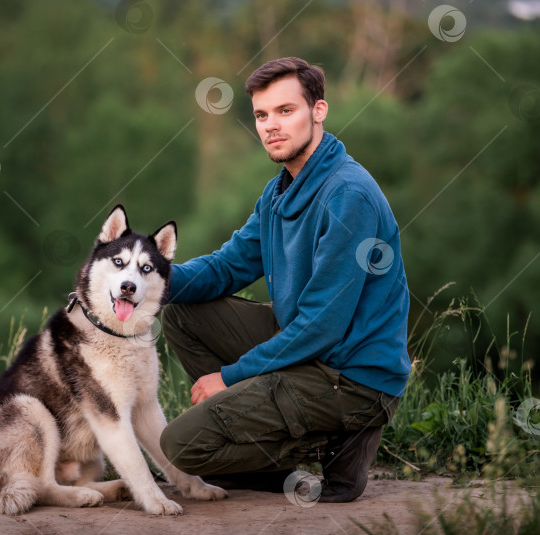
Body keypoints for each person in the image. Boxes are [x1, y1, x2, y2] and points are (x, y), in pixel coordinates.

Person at [159, 57, 410, 503]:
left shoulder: (347, 195)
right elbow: (226, 267)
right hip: (307, 348)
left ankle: (337, 442)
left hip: (351, 378)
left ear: (319, 111)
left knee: (181, 446)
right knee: (180, 311)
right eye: (261, 115)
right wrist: (145, 280)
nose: (271, 126)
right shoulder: (281, 191)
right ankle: (262, 458)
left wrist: (231, 377)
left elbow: (320, 326)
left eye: (285, 111)